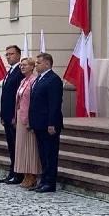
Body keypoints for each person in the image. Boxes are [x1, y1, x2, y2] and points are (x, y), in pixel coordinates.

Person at [29, 53, 63, 193]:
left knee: (50, 153)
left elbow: (54, 104)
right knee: (43, 154)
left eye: (38, 63)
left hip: (48, 124)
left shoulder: (53, 79)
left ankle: (50, 182)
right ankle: (43, 180)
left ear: (47, 64)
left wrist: (51, 123)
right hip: (38, 123)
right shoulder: (39, 79)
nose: (36, 65)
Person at [12, 57, 42, 189]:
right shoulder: (23, 80)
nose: (22, 67)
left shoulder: (34, 80)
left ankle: (32, 174)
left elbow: (34, 102)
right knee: (21, 147)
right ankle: (24, 173)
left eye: (24, 65)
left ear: (31, 66)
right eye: (21, 66)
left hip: (29, 118)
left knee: (30, 148)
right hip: (20, 117)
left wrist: (31, 119)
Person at [0, 45, 25, 184]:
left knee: (15, 145)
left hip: (14, 116)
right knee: (10, 145)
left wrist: (14, 115)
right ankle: (12, 172)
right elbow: (5, 96)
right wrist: (2, 115)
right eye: (7, 54)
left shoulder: (20, 72)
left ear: (19, 55)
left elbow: (18, 97)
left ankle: (18, 174)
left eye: (11, 54)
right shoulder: (10, 72)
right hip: (7, 115)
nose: (8, 57)